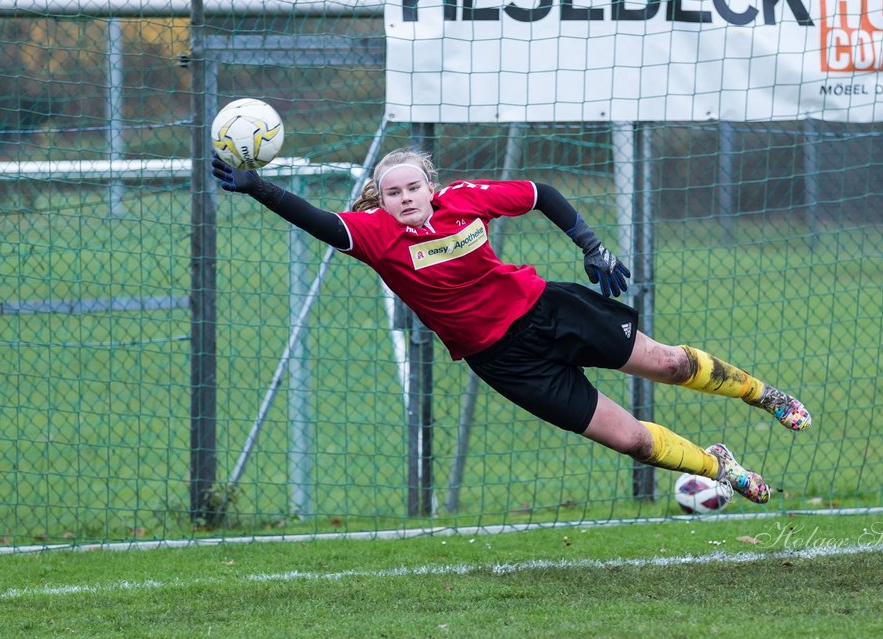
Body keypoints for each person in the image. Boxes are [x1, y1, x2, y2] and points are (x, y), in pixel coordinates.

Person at [212, 148, 810, 504]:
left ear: (430, 186)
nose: (404, 197)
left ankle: (766, 395)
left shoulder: (465, 201)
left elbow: (542, 193)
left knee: (671, 365)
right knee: (629, 440)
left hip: (547, 310)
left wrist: (592, 247)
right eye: (391, 192)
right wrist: (260, 187)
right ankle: (720, 467)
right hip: (505, 362)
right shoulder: (374, 236)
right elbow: (315, 219)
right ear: (381, 201)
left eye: (413, 186)